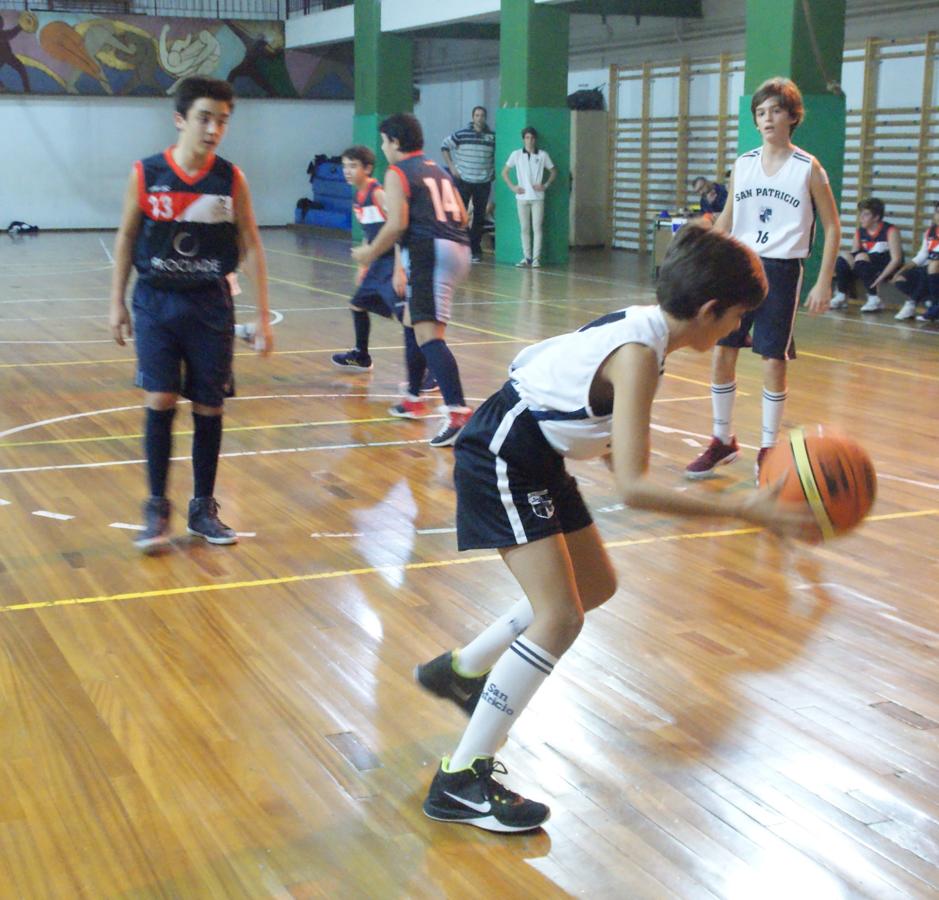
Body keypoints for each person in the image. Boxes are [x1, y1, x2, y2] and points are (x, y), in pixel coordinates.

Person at [413, 225, 816, 833]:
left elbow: (578, 406)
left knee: (594, 585)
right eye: (739, 316)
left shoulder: (646, 330)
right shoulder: (639, 357)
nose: (739, 328)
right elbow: (633, 487)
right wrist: (743, 509)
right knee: (561, 617)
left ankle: (462, 671)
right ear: (710, 310)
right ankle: (461, 779)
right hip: (502, 455)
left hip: (535, 453)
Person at [109, 76, 272, 553]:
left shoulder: (231, 179)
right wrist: (116, 301)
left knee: (209, 406)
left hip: (209, 304)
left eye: (222, 120)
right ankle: (157, 506)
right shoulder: (146, 173)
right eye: (204, 118)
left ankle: (202, 508)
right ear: (180, 119)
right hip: (156, 302)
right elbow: (126, 236)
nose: (213, 129)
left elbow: (251, 244)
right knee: (160, 397)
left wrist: (262, 315)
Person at [684, 76, 840, 481]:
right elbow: (727, 219)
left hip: (781, 269)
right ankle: (722, 440)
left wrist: (824, 280)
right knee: (723, 351)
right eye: (760, 112)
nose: (767, 118)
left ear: (793, 117)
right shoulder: (744, 164)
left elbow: (832, 226)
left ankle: (769, 448)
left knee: (773, 359)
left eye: (775, 111)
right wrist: (698, 257)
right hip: (739, 263)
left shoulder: (808, 168)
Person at [352, 113, 473, 447]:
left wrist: (370, 253)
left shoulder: (398, 172)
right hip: (458, 248)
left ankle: (458, 412)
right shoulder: (437, 170)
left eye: (383, 141)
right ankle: (414, 398)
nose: (382, 148)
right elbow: (463, 215)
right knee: (411, 321)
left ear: (394, 141)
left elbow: (396, 225)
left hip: (429, 251)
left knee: (428, 334)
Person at [330, 145, 407, 371]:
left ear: (368, 168)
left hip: (392, 263)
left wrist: (400, 269)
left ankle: (429, 369)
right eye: (344, 166)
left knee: (409, 319)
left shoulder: (378, 194)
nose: (347, 171)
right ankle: (361, 356)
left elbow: (399, 228)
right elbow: (369, 233)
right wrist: (364, 265)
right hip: (377, 264)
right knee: (357, 304)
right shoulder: (358, 198)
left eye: (353, 166)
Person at [441, 106, 495, 263]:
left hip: (483, 182)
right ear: (473, 117)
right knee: (460, 215)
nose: (479, 118)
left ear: (485, 118)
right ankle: (460, 246)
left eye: (482, 115)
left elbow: (497, 156)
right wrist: (452, 167)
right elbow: (444, 146)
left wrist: (493, 172)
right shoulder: (461, 134)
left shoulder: (492, 137)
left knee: (479, 217)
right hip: (464, 180)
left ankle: (474, 249)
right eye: (477, 115)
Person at [831, 198, 903, 313]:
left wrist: (880, 278)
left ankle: (874, 298)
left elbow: (896, 259)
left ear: (876, 217)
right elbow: (854, 253)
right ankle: (842, 294)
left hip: (886, 266)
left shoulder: (890, 230)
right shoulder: (860, 232)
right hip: (865, 264)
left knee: (861, 258)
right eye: (861, 214)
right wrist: (847, 262)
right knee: (843, 257)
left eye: (866, 214)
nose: (861, 218)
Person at [501, 126, 557, 268]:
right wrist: (513, 187)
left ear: (535, 139)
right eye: (527, 137)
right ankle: (527, 257)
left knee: (537, 228)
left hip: (538, 198)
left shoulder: (542, 155)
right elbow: (504, 172)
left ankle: (536, 259)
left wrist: (545, 185)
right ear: (523, 139)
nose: (529, 140)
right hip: (522, 197)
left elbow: (553, 171)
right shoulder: (516, 154)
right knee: (524, 228)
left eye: (532, 138)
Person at [893, 201, 939, 322]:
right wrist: (902, 270)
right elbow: (921, 256)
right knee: (900, 279)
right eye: (937, 212)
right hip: (929, 271)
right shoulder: (930, 232)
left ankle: (913, 303)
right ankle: (930, 300)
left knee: (932, 266)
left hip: (934, 270)